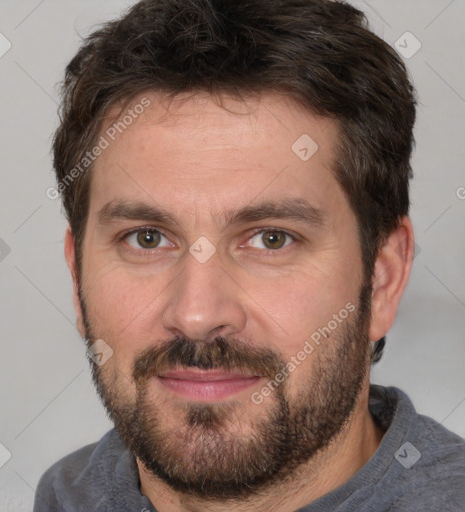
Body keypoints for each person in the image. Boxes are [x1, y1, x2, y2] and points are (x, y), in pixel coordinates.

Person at [34, 0, 465, 510]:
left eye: (271, 239)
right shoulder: (68, 493)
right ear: (77, 274)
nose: (197, 314)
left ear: (383, 279)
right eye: (147, 238)